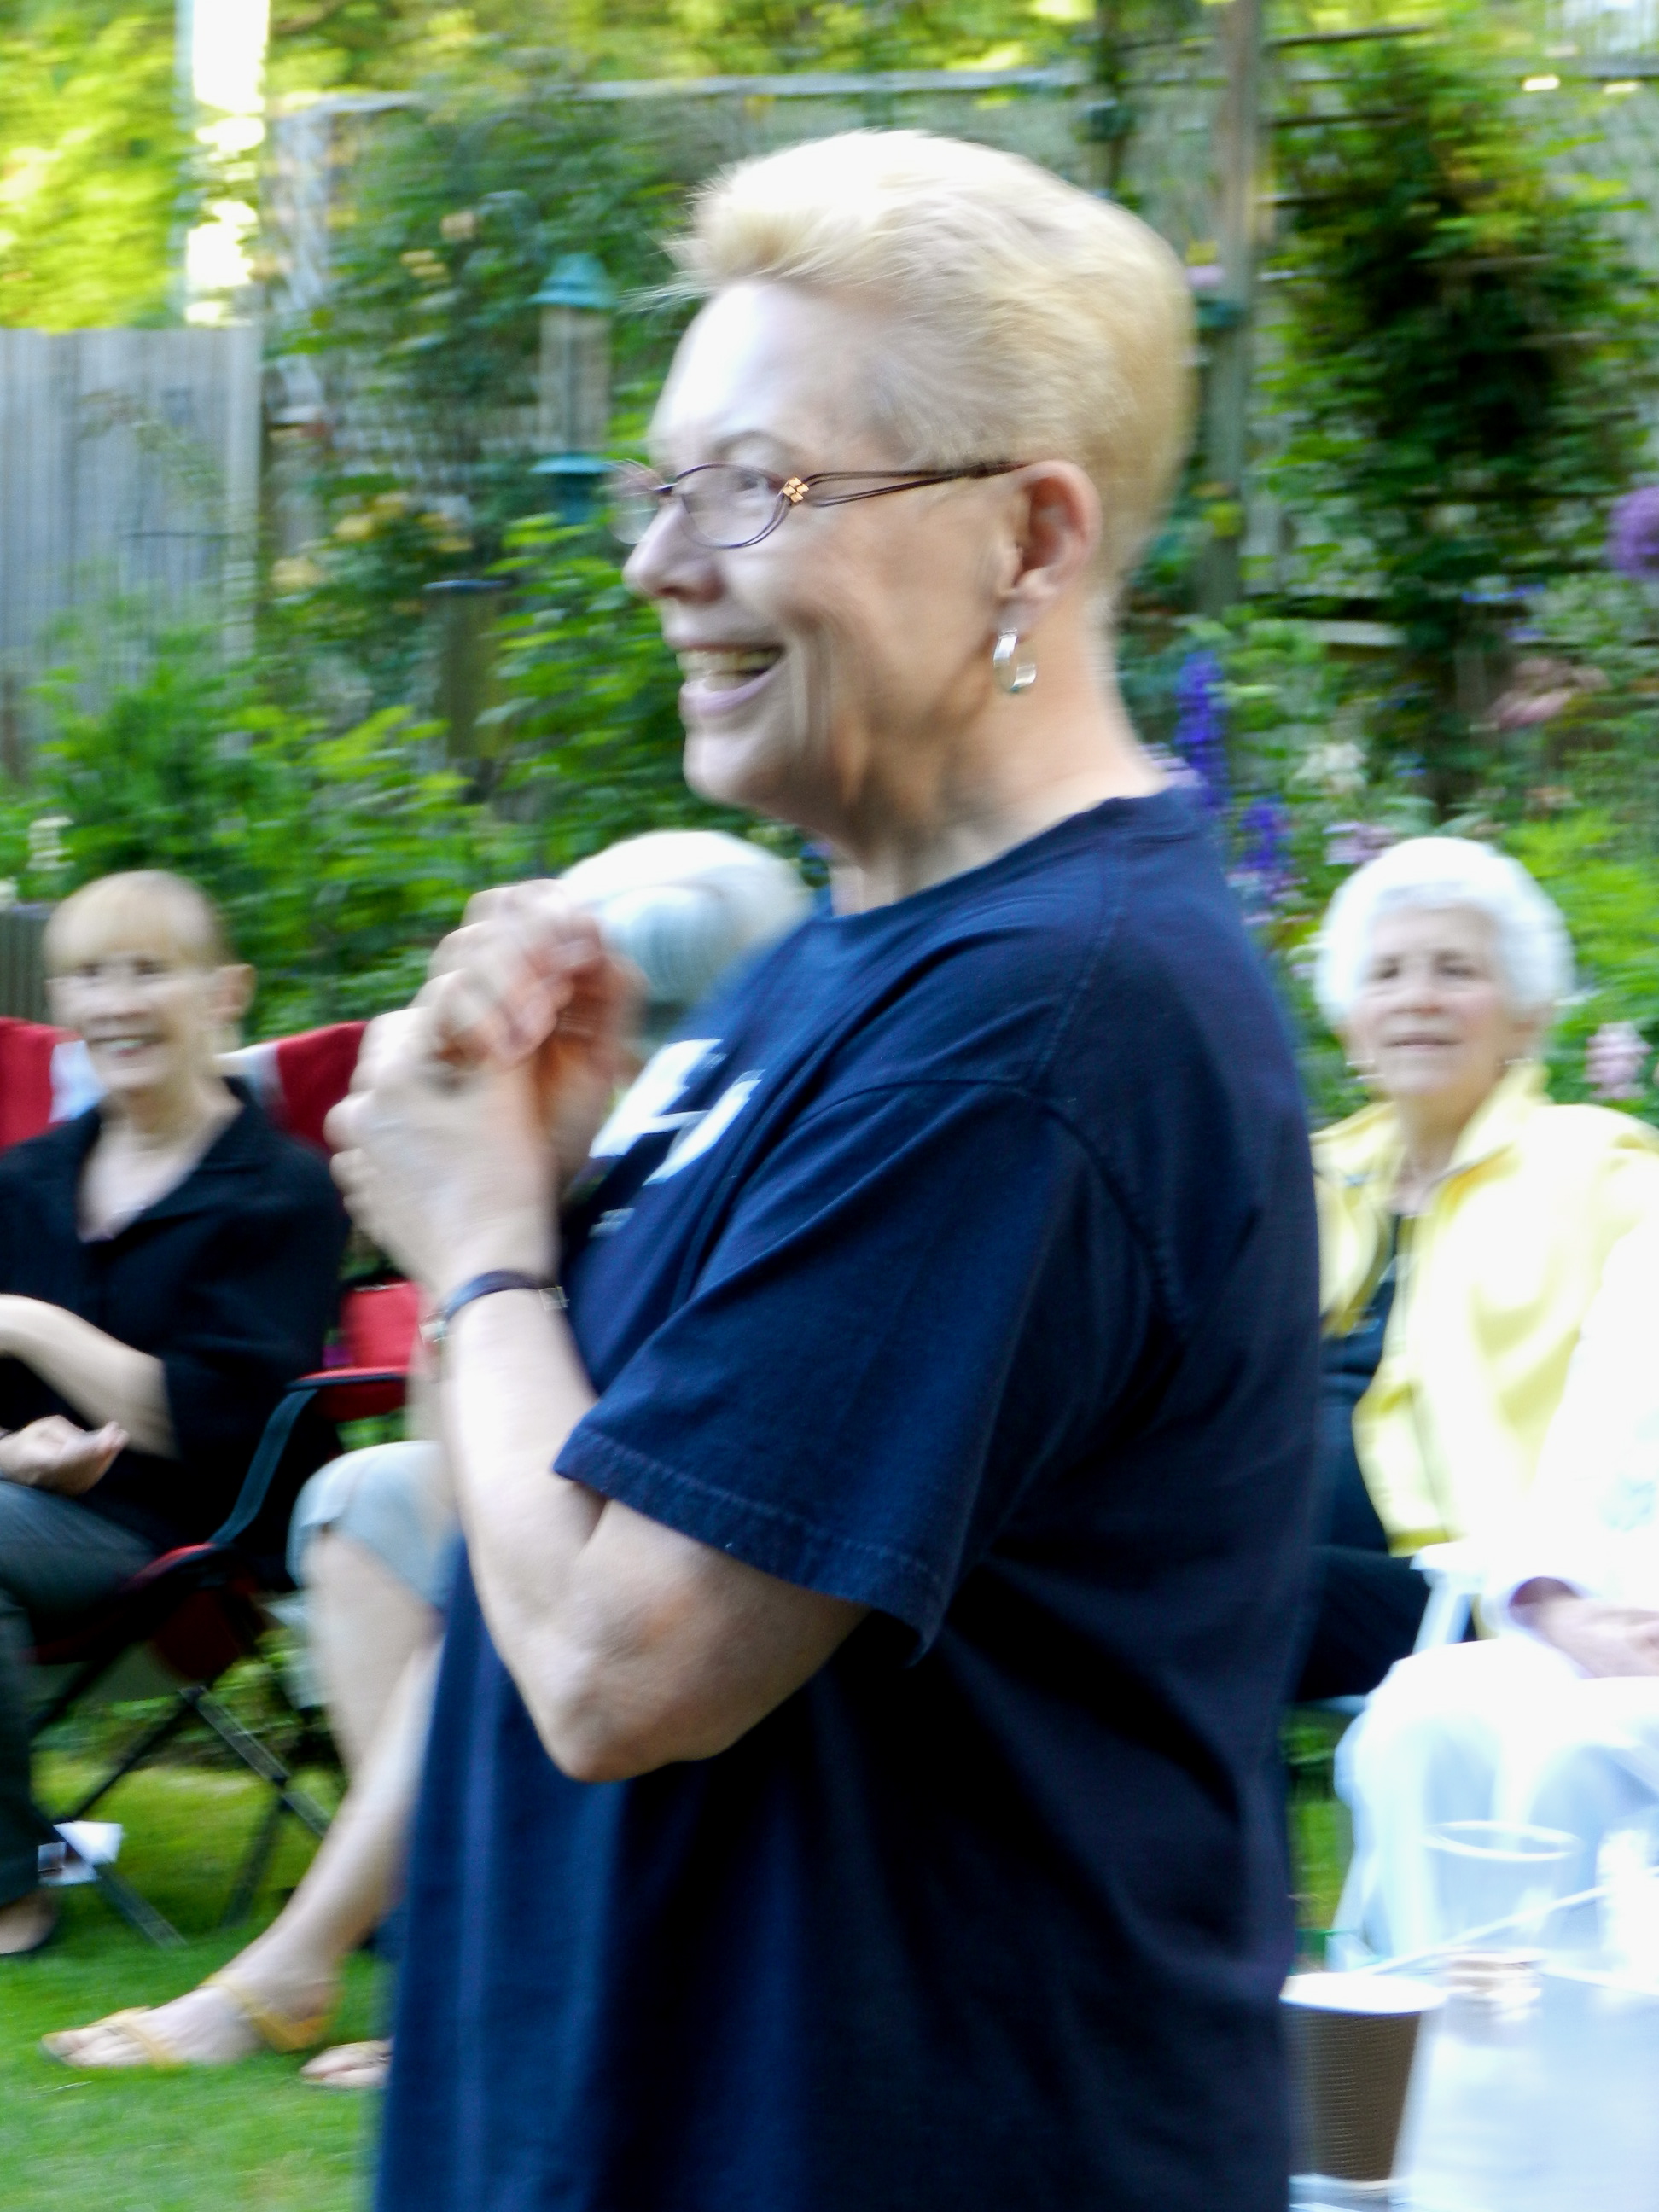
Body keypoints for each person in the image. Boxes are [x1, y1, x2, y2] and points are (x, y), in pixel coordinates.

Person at [331, 130, 1321, 2211]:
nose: (656, 564)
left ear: (1028, 537)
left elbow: (618, 1667)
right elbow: (532, 1521)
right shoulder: (842, 964)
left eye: (752, 489)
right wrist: (544, 1185)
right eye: (657, 487)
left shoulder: (1048, 1016)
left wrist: (479, 1236)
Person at [42, 830, 808, 2078]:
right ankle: (441, 1970)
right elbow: (460, 1457)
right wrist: (503, 1217)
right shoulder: (598, 1166)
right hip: (542, 1513)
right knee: (366, 1503)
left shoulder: (763, 1160)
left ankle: (313, 1970)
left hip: (666, 1546)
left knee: (489, 1584)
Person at [0, 870, 346, 1957]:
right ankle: (28, 1854)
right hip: (29, 1508)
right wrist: (14, 1451)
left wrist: (31, 1327)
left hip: (196, 1532)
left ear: (223, 992)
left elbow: (229, 1416)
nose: (115, 1004)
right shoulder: (23, 1180)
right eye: (89, 977)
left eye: (148, 971)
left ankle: (14, 1890)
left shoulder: (282, 1189)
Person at [1296, 835, 1659, 1703]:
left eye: (1455, 971)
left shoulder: (1601, 1168)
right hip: (1264, 1549)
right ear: (1350, 1021)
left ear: (1527, 1017)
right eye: (1386, 974)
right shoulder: (1302, 1178)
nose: (1417, 998)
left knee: (1191, 1594)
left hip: (1488, 1594)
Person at [1337, 1214, 1659, 1958]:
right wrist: (1560, 1609)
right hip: (1613, 1646)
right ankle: (1431, 2010)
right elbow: (1573, 1486)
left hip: (1626, 1692)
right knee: (1422, 1713)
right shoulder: (1648, 1257)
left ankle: (1566, 2024)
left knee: (1583, 1743)